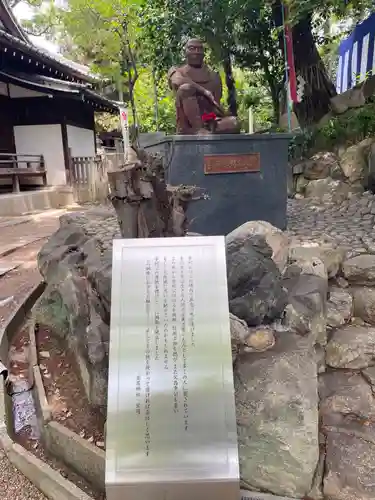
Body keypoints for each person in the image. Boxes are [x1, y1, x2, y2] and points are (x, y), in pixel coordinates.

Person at [168, 38, 239, 135]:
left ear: (203, 53)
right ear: (186, 52)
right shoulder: (177, 72)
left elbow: (214, 108)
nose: (196, 52)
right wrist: (204, 91)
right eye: (192, 48)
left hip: (208, 122)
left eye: (199, 49)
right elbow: (177, 81)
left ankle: (205, 129)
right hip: (186, 126)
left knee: (233, 123)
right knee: (186, 88)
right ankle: (198, 129)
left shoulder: (214, 77)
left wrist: (211, 118)